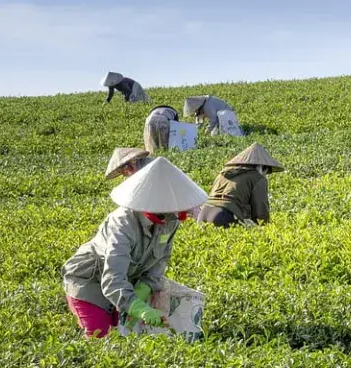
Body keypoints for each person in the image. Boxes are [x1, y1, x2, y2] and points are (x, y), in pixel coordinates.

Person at [63, 158, 207, 337]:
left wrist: (144, 288)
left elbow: (160, 261)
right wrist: (140, 309)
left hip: (127, 281)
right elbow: (112, 279)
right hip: (89, 281)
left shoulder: (170, 220)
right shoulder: (122, 224)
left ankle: (121, 307)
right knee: (100, 334)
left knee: (126, 330)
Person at [196, 143, 283, 228]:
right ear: (263, 167)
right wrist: (264, 227)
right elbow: (260, 209)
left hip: (202, 215)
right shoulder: (258, 178)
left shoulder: (223, 174)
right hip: (224, 215)